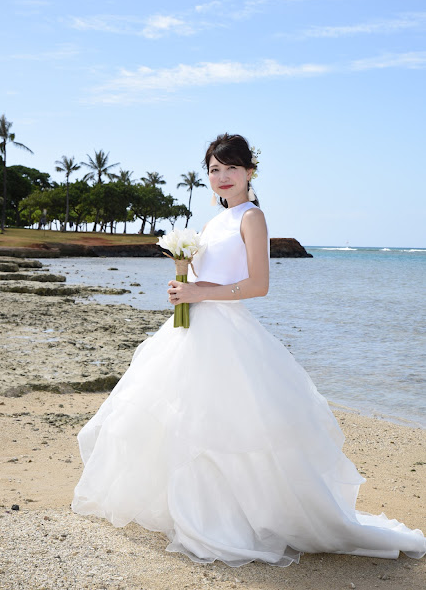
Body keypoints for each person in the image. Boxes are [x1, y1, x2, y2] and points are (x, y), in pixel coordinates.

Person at [72, 133, 426, 568]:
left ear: (249, 172)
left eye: (231, 168)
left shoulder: (251, 217)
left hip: (228, 334)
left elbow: (258, 285)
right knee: (181, 419)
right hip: (191, 330)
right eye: (214, 170)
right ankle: (188, 511)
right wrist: (184, 289)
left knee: (227, 426)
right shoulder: (208, 223)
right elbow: (206, 279)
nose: (222, 177)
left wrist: (202, 294)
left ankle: (232, 519)